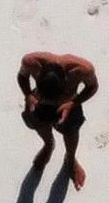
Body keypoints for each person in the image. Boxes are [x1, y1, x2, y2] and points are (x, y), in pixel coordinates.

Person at [17, 50, 99, 188]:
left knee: (71, 131)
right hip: (38, 103)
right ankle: (49, 145)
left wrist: (72, 103)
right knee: (37, 123)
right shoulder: (30, 62)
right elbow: (22, 76)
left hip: (69, 104)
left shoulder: (82, 70)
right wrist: (28, 95)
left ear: (66, 81)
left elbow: (92, 87)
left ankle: (70, 158)